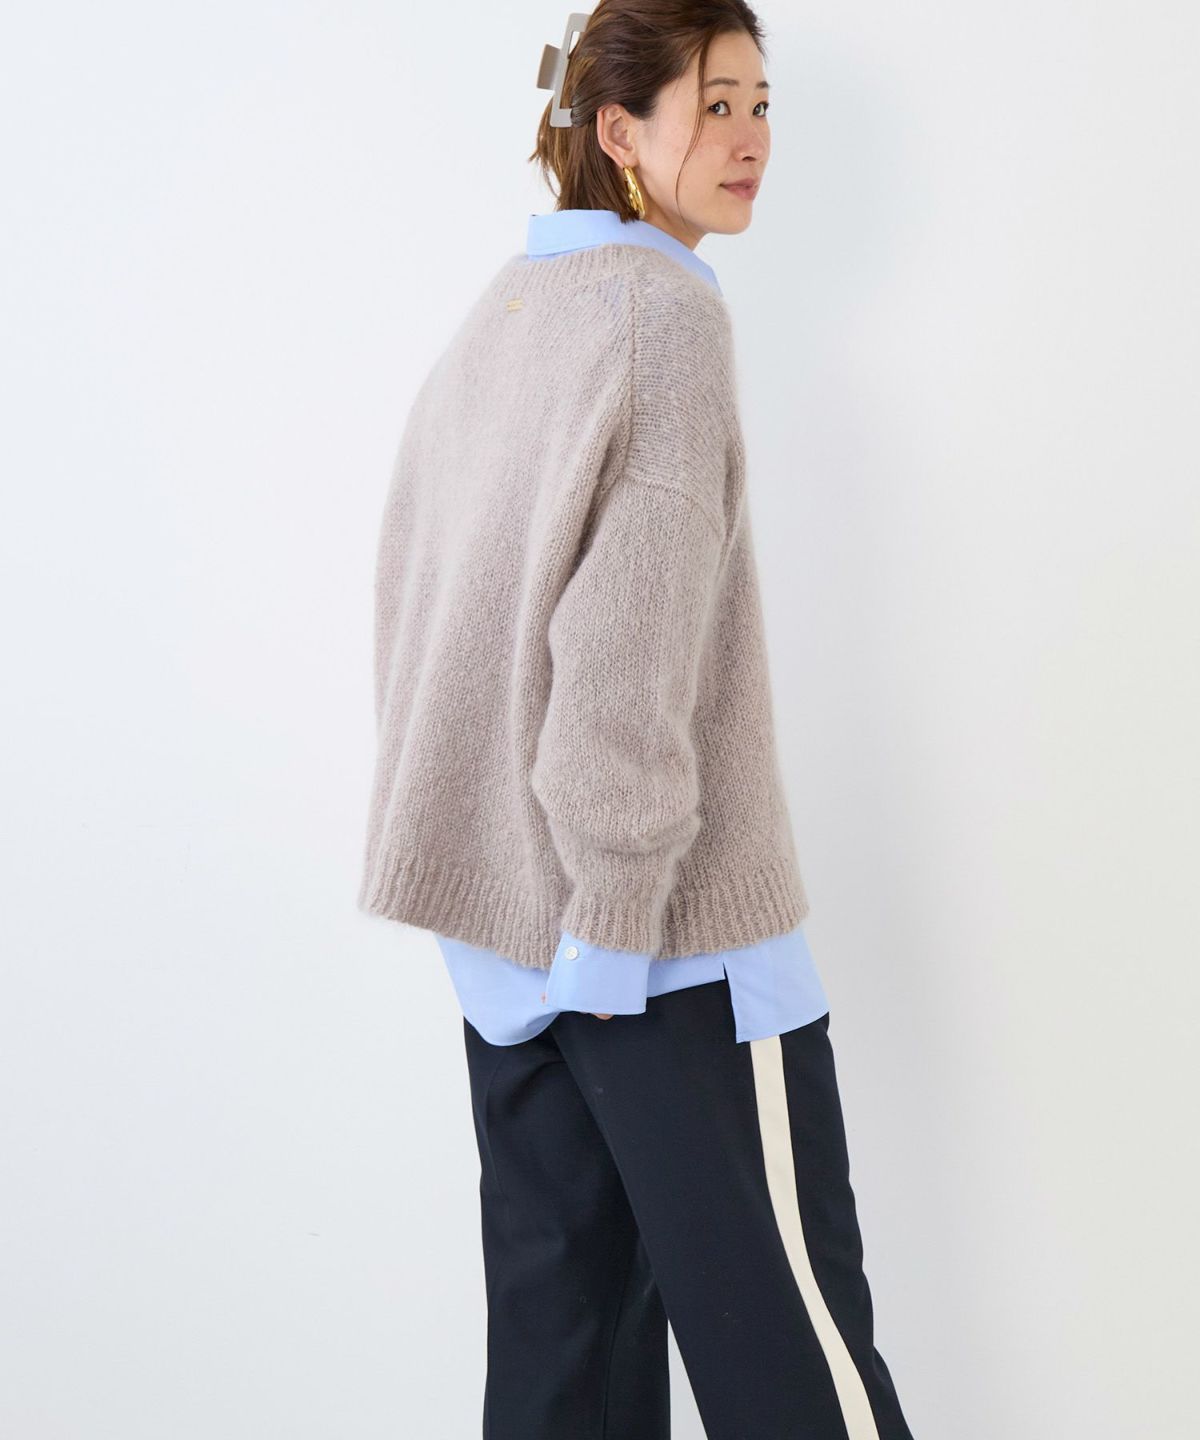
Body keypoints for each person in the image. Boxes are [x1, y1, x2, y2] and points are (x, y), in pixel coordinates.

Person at [356, 3, 918, 1435]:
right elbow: (624, 651)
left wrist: (507, 917)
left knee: (567, 1378)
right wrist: (610, 917)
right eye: (713, 105)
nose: (750, 139)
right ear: (619, 129)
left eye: (761, 104)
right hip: (666, 945)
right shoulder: (664, 316)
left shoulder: (507, 313)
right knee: (798, 1373)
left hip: (511, 951)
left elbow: (416, 603)